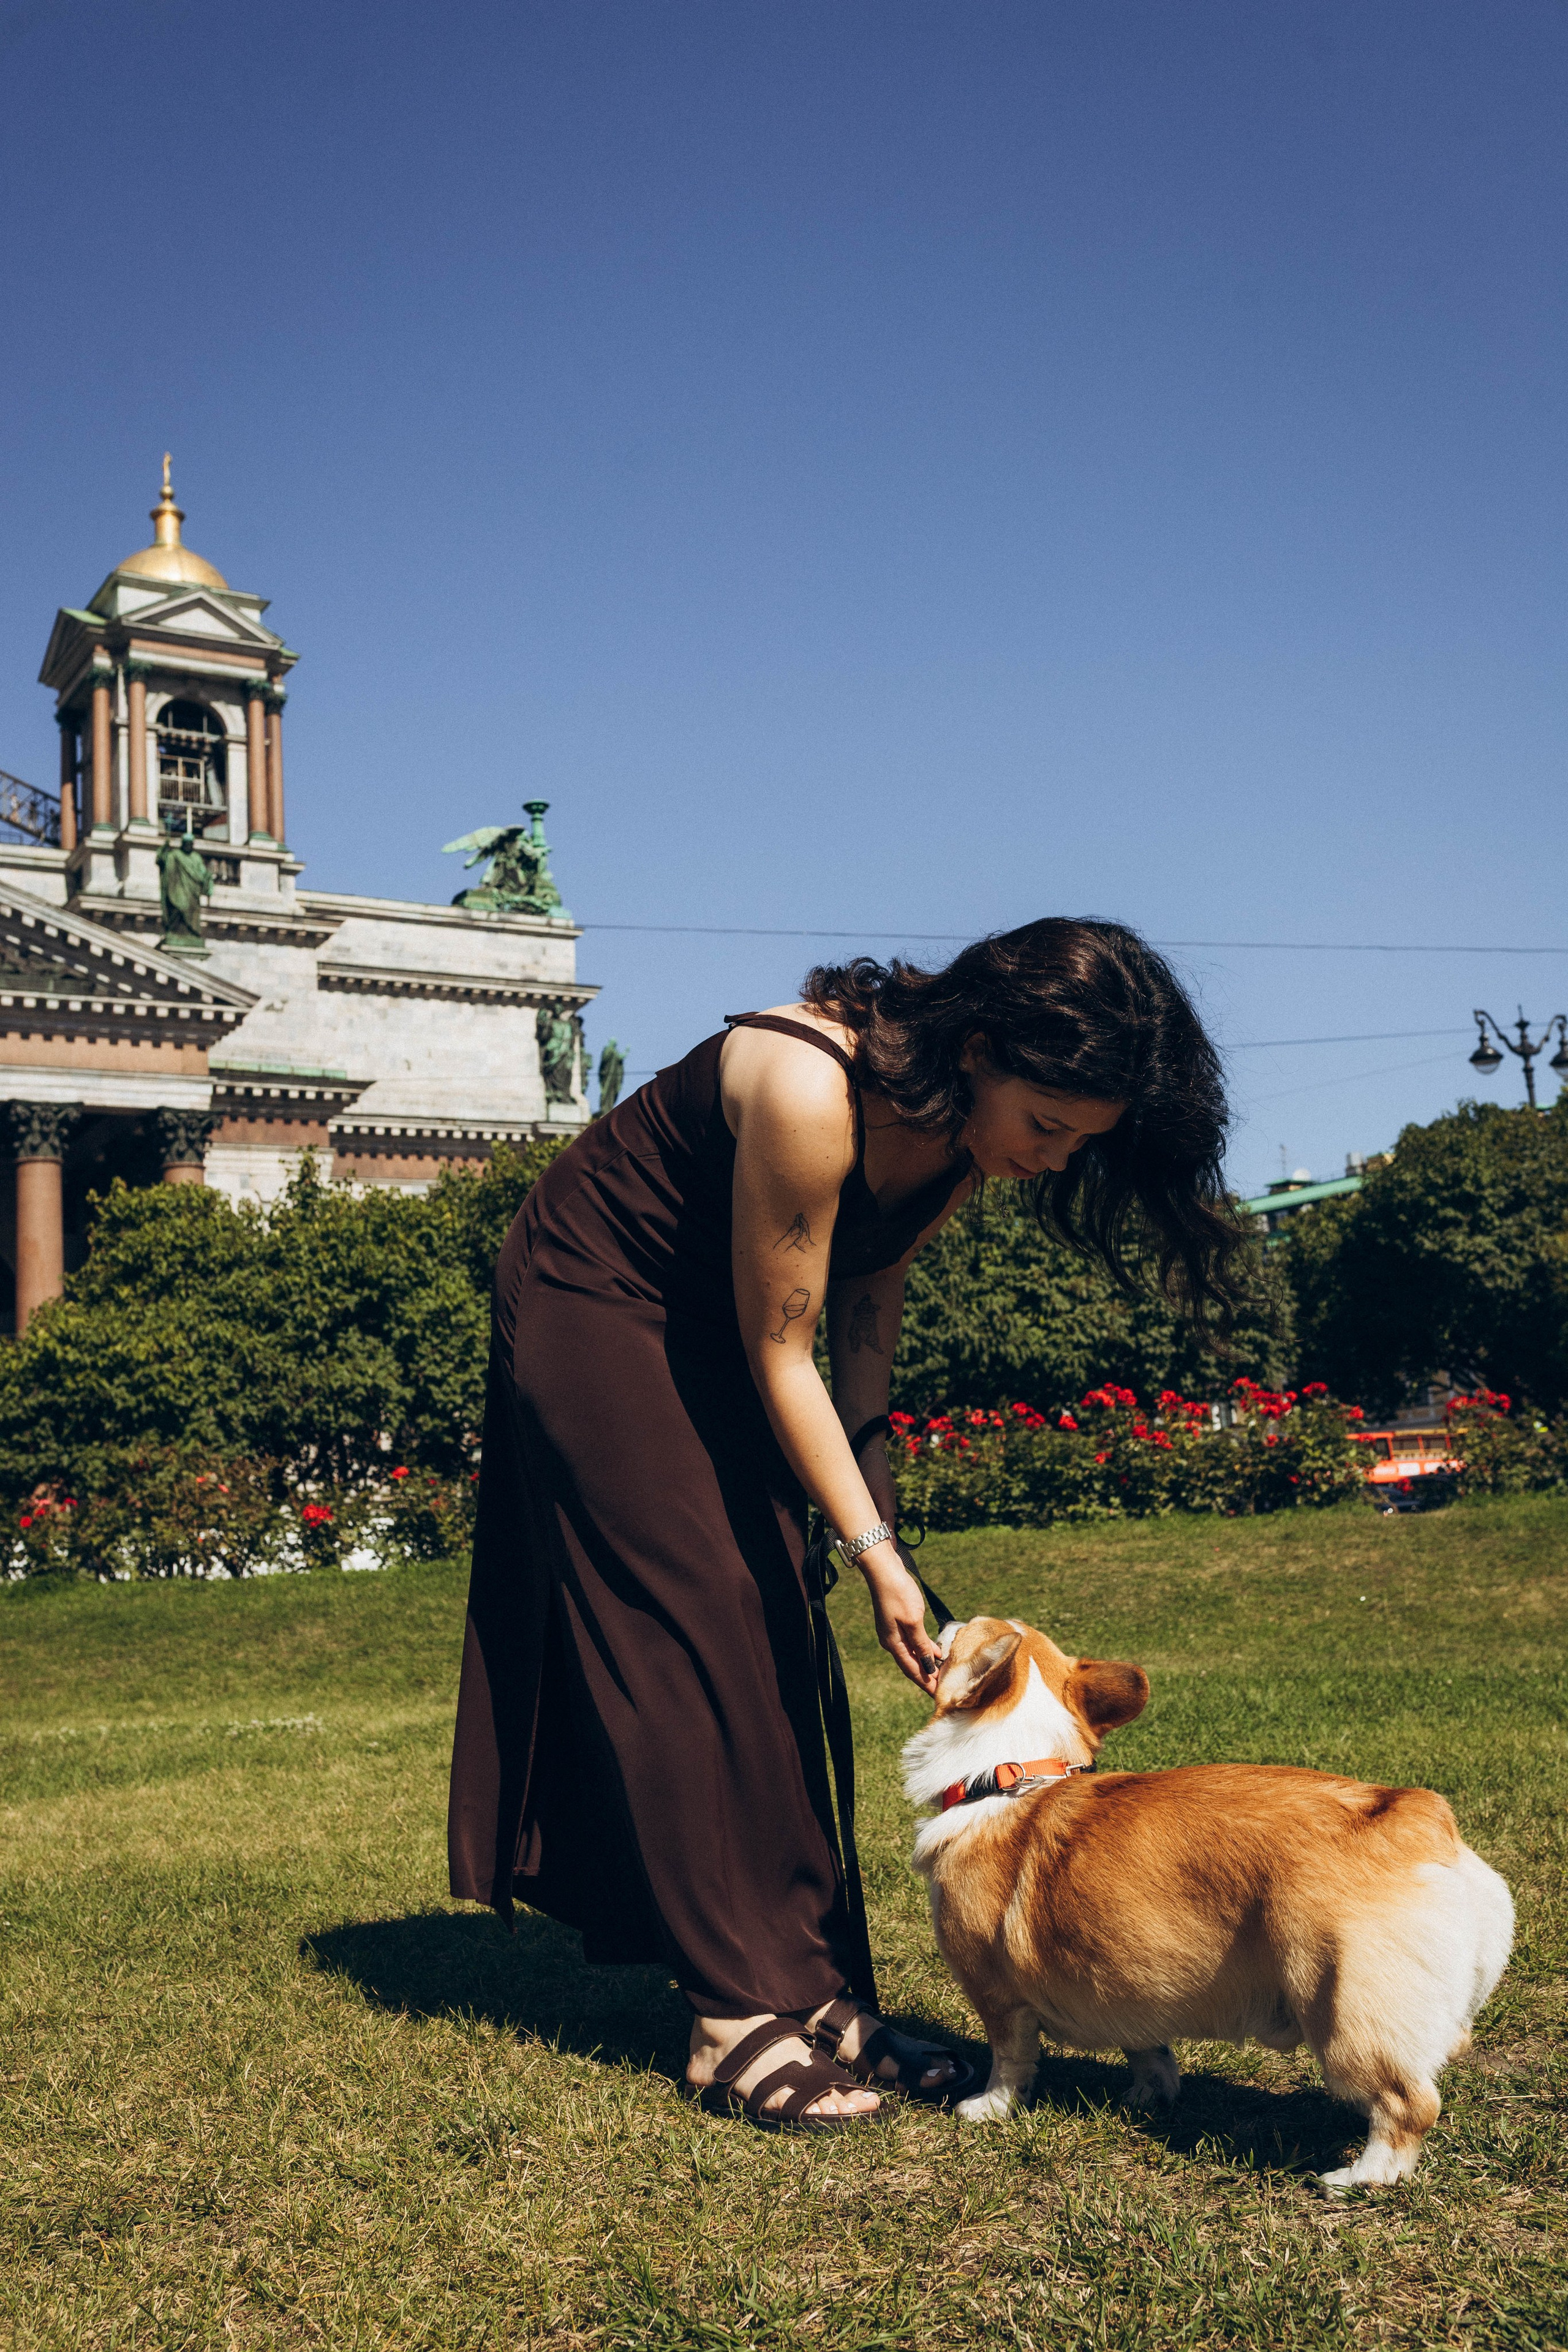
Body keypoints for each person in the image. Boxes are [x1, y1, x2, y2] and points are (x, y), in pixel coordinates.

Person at [448, 918, 1241, 2130]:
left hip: (737, 1323)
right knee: (693, 1618)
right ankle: (728, 2023)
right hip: (603, 1293)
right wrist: (873, 1554)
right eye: (1042, 1125)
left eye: (1076, 1144)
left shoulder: (963, 1144)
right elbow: (783, 1351)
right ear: (976, 1047)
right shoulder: (807, 1085)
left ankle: (815, 1997)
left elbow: (861, 1328)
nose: (1046, 1160)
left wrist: (876, 1529)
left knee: (783, 1626)